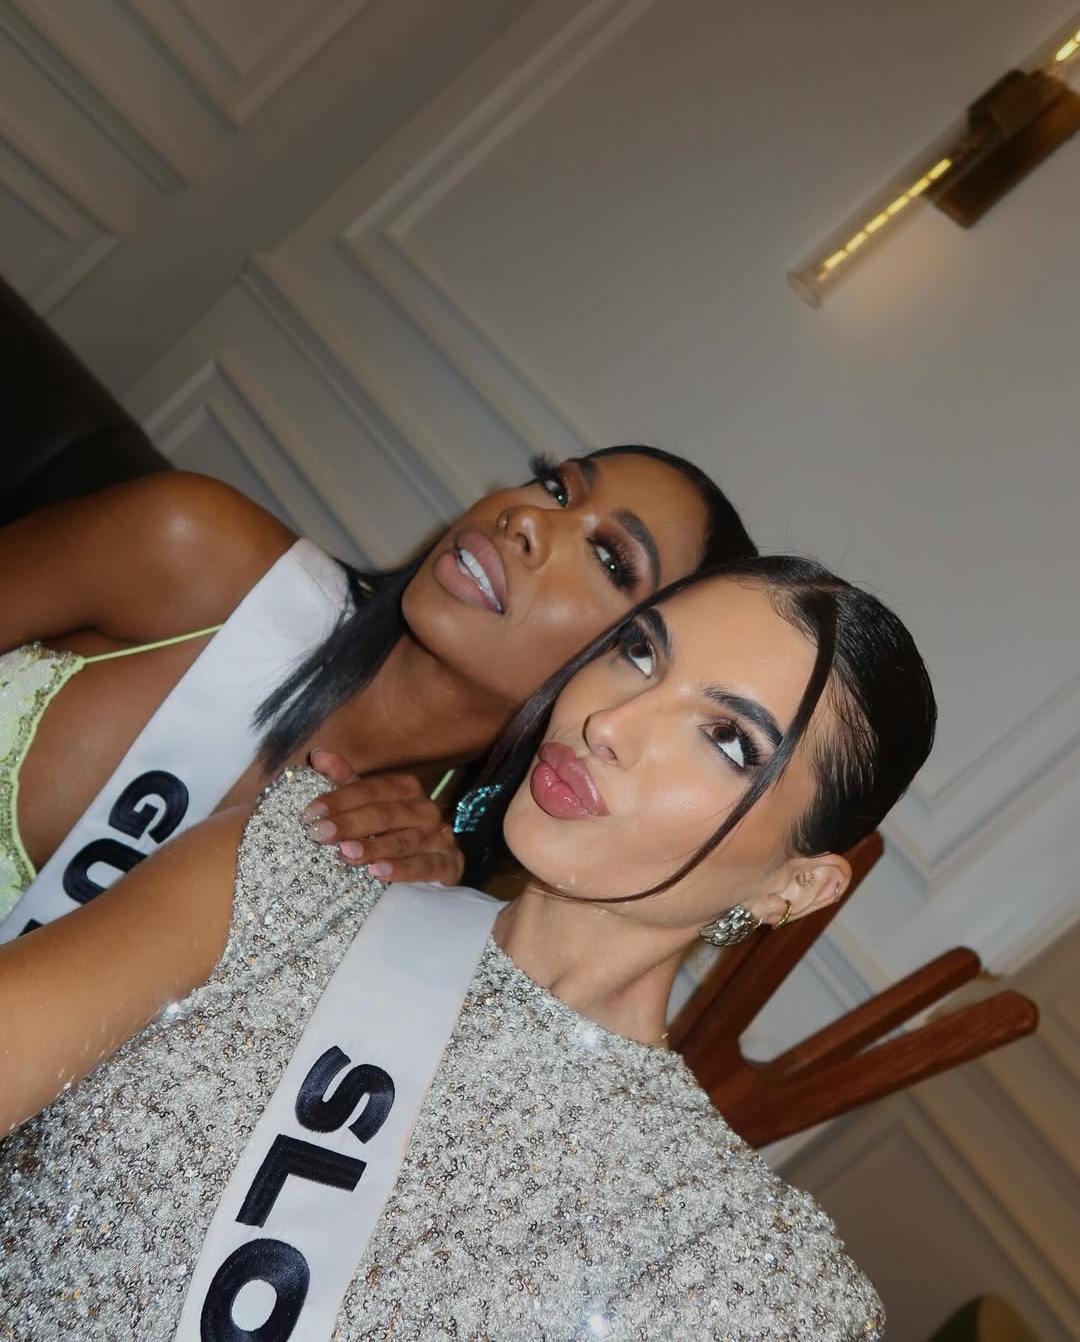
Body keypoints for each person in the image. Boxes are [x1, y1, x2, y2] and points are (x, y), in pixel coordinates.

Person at [0, 555, 935, 1339]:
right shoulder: (303, 860)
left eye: (727, 738)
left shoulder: (733, 1266)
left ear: (794, 886)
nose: (608, 723)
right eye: (640, 652)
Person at [0, 445, 754, 934]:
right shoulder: (194, 549)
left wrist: (389, 924)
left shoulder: (420, 880)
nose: (527, 518)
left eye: (610, 558)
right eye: (557, 486)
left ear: (632, 667)